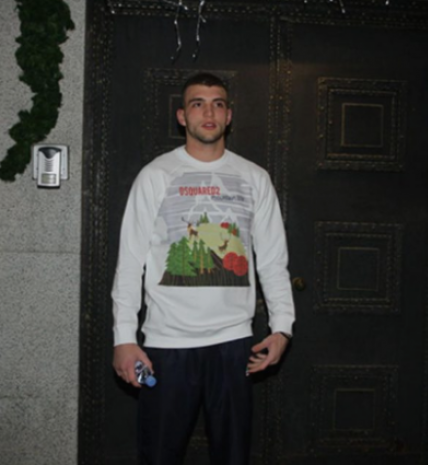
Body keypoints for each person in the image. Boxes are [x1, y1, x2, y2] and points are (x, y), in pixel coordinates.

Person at [111, 72, 296, 465]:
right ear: (182, 116)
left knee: (233, 456)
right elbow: (130, 261)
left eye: (217, 104)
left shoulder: (254, 178)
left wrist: (282, 327)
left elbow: (272, 260)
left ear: (229, 115)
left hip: (234, 345)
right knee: (158, 456)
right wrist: (124, 338)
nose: (208, 113)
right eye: (198, 104)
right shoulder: (155, 176)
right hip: (166, 346)